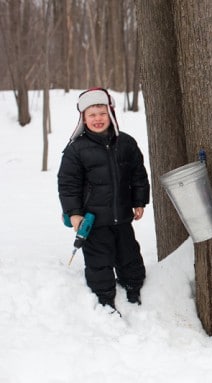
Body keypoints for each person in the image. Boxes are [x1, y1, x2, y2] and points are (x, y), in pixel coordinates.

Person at [58, 88, 150, 315]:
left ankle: (133, 287)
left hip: (122, 216)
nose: (98, 119)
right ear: (83, 118)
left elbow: (138, 174)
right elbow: (68, 184)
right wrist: (74, 213)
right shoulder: (76, 149)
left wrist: (139, 201)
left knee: (129, 255)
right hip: (93, 220)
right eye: (92, 115)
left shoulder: (126, 143)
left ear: (111, 114)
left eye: (102, 113)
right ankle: (105, 298)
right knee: (99, 261)